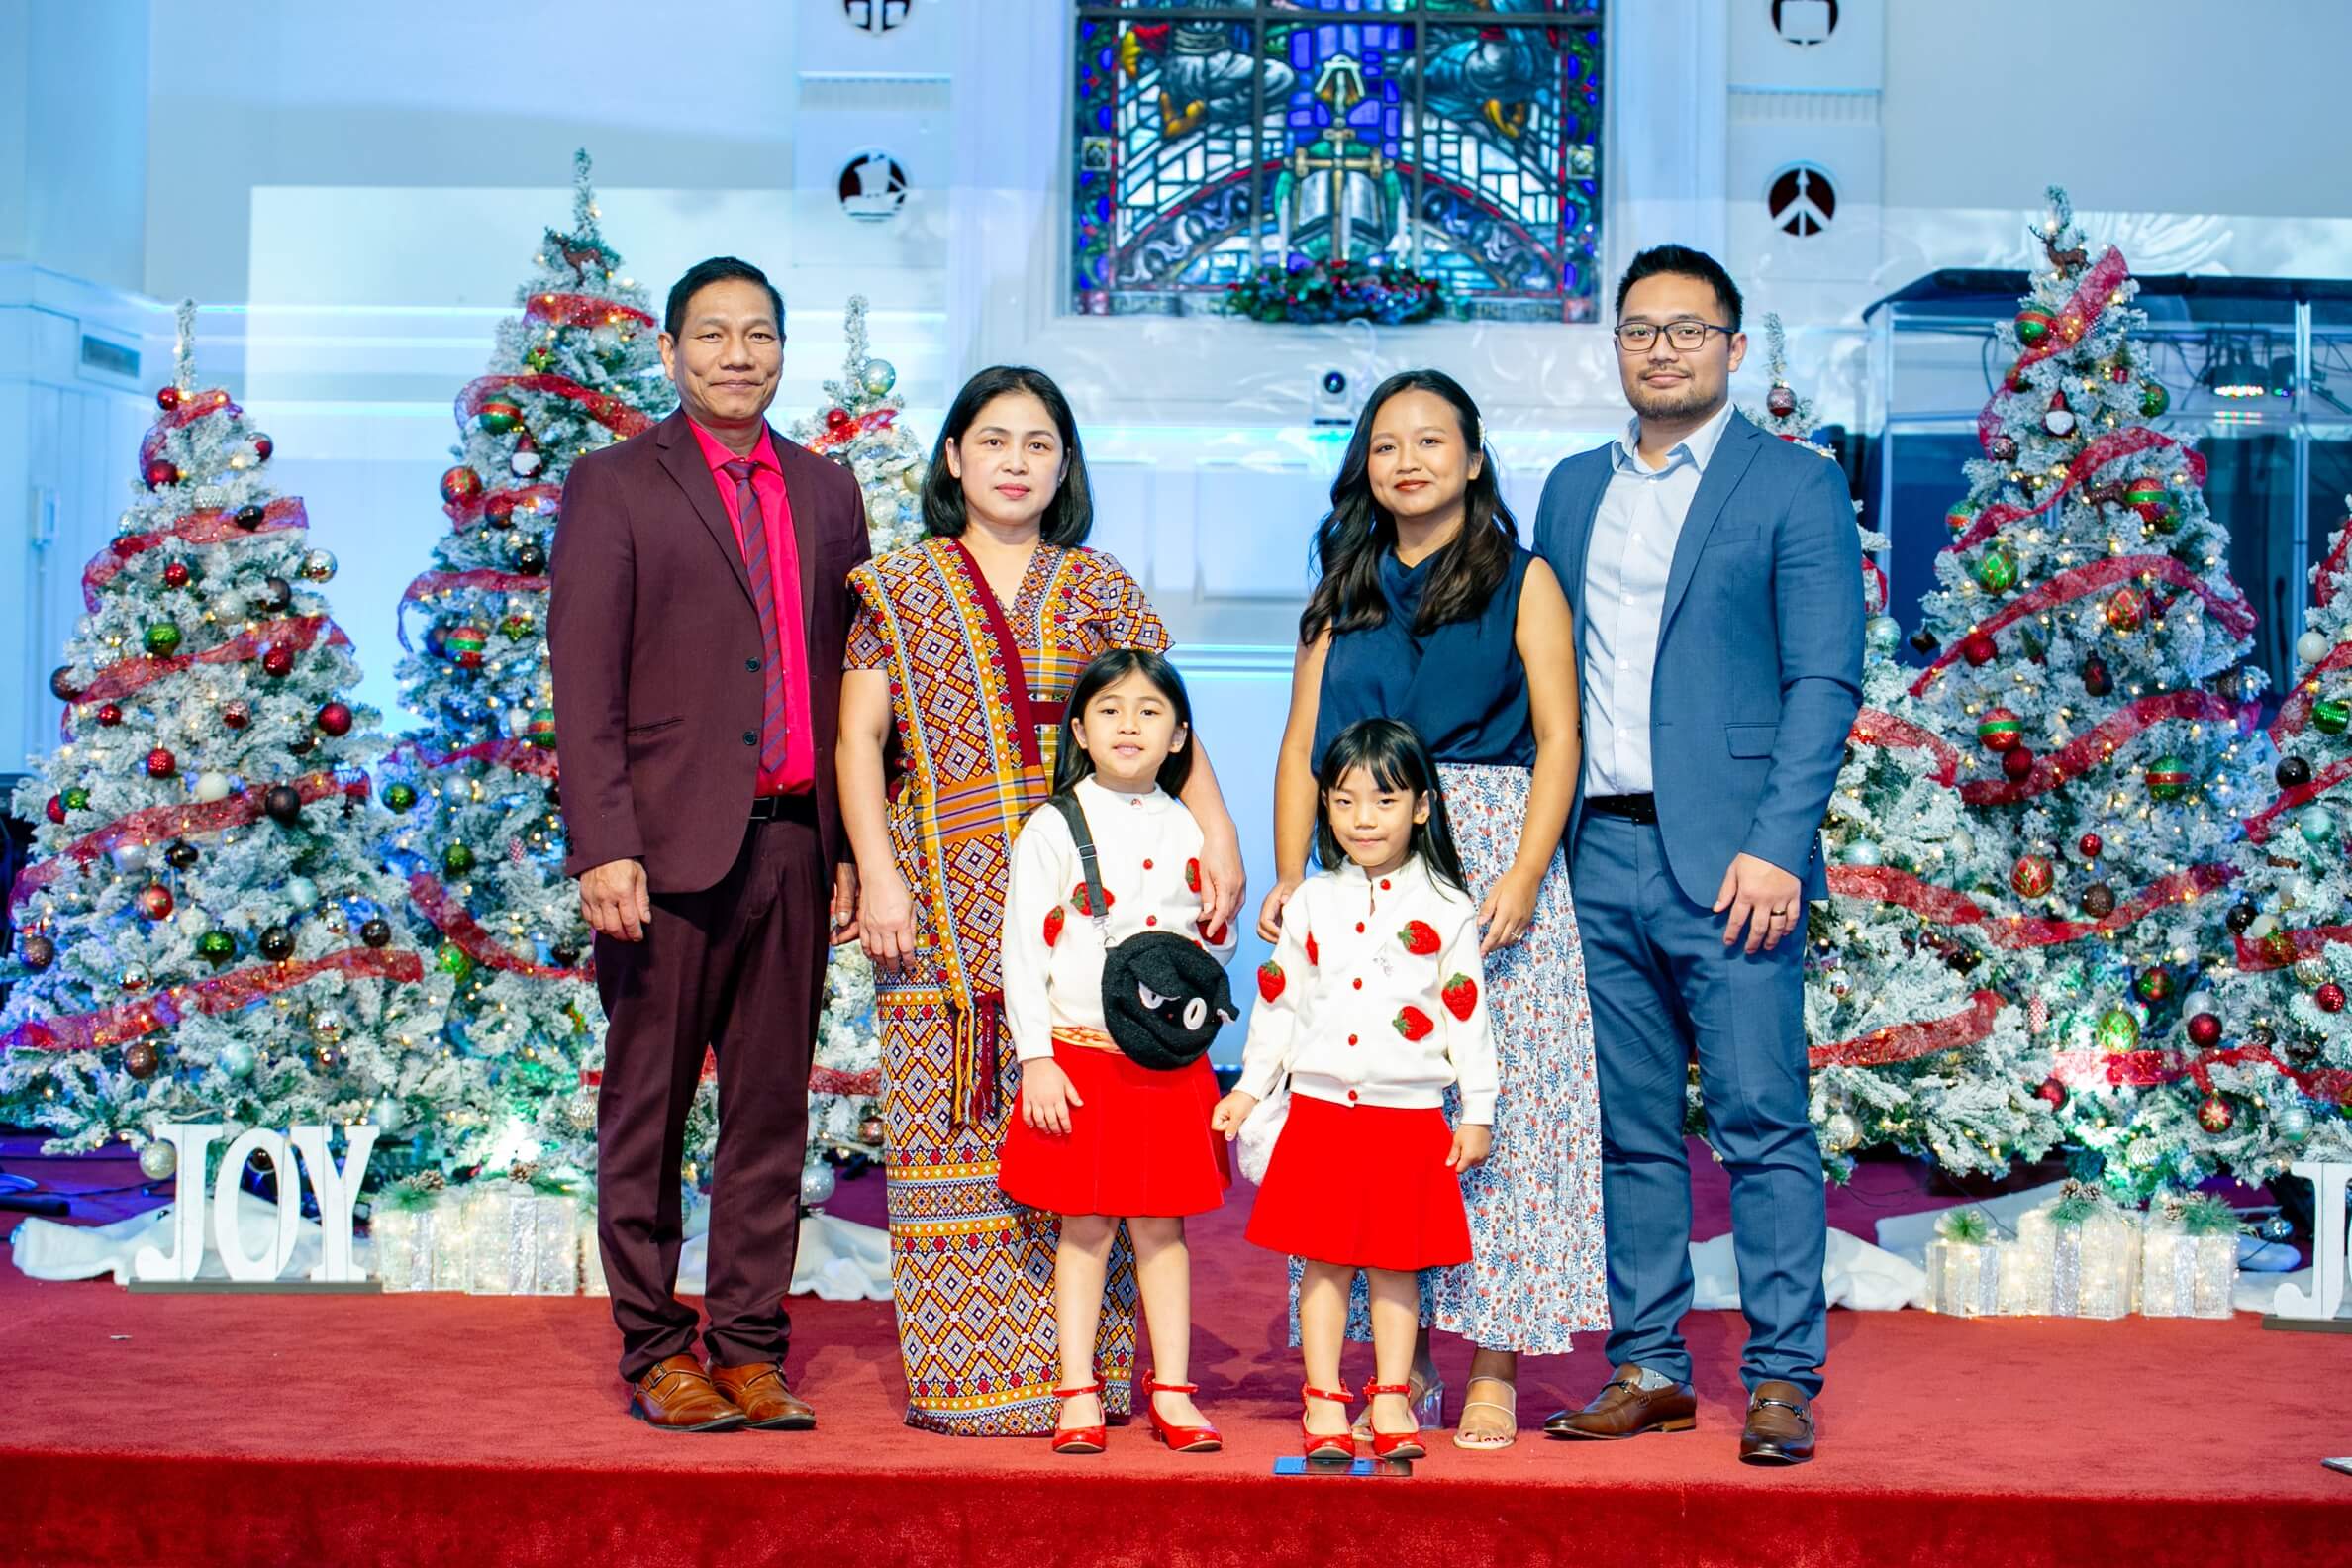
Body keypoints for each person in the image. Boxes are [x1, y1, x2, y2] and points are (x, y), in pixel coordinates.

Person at [837, 364, 1248, 1436]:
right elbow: (859, 742)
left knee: (1101, 1154)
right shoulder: (897, 588)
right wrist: (877, 871)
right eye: (994, 440)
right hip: (940, 899)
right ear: (954, 457)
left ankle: (1093, 1381)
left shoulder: (1102, 586)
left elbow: (1168, 721)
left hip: (1098, 906)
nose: (1015, 463)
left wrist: (1218, 830)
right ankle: (972, 1385)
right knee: (952, 1128)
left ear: (1065, 466)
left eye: (1039, 445)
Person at [1530, 245, 1862, 1466]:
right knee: (1629, 1133)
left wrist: (1779, 847)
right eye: (1639, 328)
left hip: (1733, 866)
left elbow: (1824, 678)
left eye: (1686, 328)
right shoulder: (1574, 489)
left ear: (1731, 345)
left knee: (1762, 1122)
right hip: (1597, 857)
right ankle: (1649, 1365)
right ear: (1617, 346)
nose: (1661, 348)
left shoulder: (1794, 484)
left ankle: (1780, 1379)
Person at [1257, 368, 1605, 1451]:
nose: (1407, 461)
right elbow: (1302, 747)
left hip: (1491, 856)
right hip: (1359, 857)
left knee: (1503, 1112)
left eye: (1430, 441)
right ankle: (1391, 1367)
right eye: (1386, 445)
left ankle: (1495, 1359)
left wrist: (1525, 874)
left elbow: (1561, 736)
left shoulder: (1524, 578)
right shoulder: (1342, 587)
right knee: (1359, 1113)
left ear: (1474, 457)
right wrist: (1292, 878)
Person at [548, 255, 867, 1431]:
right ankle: (655, 1351)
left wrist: (848, 843)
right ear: (672, 351)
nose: (739, 355)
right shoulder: (615, 483)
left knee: (771, 1113)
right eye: (714, 334)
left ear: (783, 349)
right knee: (649, 1107)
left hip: (794, 844)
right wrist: (604, 843)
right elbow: (583, 678)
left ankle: (748, 1347)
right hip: (661, 854)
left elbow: (849, 672)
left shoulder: (828, 490)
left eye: (759, 334)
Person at [1215, 718, 1496, 1465]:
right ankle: (1322, 1398)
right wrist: (1251, 1089)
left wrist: (1478, 1110)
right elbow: (1279, 1004)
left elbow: (1467, 1017)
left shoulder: (1448, 907)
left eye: (1383, 801)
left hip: (1408, 1117)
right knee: (1325, 1260)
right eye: (1344, 801)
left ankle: (1393, 1394)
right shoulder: (1310, 901)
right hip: (1320, 1114)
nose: (1363, 819)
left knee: (1398, 1263)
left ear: (1421, 807)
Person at [998, 648, 1235, 1456]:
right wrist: (1037, 1057)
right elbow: (1023, 950)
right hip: (1081, 1061)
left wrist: (1218, 939)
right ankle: (1077, 1392)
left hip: (1166, 1068)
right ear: (1079, 731)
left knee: (1164, 1231)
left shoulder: (1191, 827)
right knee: (1086, 1230)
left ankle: (1172, 1391)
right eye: (1108, 709)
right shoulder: (1053, 826)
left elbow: (1207, 948)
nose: (1128, 724)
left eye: (1149, 710)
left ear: (1180, 737)